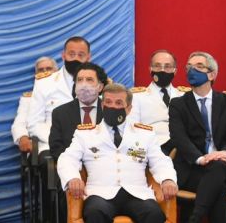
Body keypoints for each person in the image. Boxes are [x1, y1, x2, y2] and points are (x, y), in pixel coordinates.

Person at [58, 83, 177, 223]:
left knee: (154, 214)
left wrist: (168, 179)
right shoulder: (85, 134)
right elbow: (67, 158)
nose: (113, 107)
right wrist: (72, 178)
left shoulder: (144, 134)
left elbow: (160, 161)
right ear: (102, 105)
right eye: (108, 102)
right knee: (94, 213)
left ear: (128, 109)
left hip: (137, 193)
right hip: (100, 194)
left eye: (118, 103)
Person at [168, 51, 226, 223]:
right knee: (218, 187)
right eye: (189, 67)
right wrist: (201, 159)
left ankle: (194, 218)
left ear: (212, 74)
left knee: (217, 168)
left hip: (225, 165)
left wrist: (224, 153)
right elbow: (178, 138)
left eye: (199, 66)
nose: (192, 70)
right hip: (193, 169)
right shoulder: (178, 104)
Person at [26, 37, 92, 145]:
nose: (75, 59)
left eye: (81, 55)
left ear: (88, 58)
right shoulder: (44, 83)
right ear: (63, 55)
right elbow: (34, 123)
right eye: (71, 54)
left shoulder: (99, 84)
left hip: (90, 147)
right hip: (52, 145)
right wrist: (58, 139)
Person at [130, 50, 186, 151]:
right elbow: (132, 128)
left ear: (175, 71)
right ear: (150, 69)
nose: (162, 70)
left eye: (167, 66)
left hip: (183, 148)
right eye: (157, 66)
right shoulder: (136, 97)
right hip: (152, 147)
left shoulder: (185, 96)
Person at [49, 63, 107, 159]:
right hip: (71, 168)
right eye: (80, 80)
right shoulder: (60, 113)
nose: (83, 85)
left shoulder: (109, 111)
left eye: (89, 80)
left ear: (100, 87)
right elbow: (56, 148)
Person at [12, 56, 58, 153]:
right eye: (41, 70)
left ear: (56, 72)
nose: (45, 72)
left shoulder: (66, 94)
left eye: (49, 69)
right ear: (36, 75)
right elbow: (19, 123)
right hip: (42, 147)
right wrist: (22, 137)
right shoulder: (28, 99)